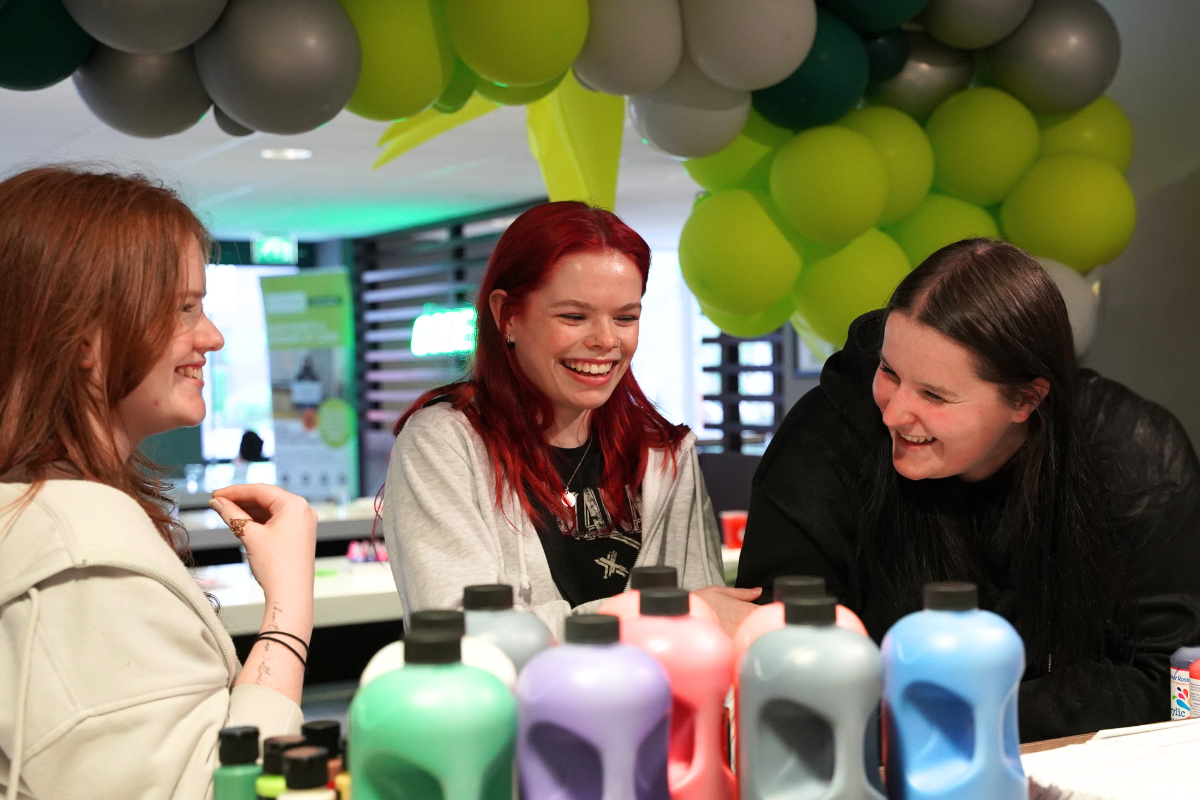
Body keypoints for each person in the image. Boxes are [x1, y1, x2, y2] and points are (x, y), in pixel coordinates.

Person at [737, 238, 1200, 741]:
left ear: (1025, 400)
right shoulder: (822, 443)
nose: (893, 414)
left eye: (934, 395)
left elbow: (1176, 678)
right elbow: (783, 672)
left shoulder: (1135, 453)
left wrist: (960, 718)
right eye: (889, 370)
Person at [0, 166, 318, 798]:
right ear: (85, 335)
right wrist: (288, 605)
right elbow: (206, 788)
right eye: (183, 308)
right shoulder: (80, 561)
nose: (212, 336)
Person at [382, 201, 756, 639]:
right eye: (573, 316)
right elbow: (465, 635)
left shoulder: (663, 452)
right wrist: (652, 615)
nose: (605, 340)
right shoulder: (444, 443)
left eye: (625, 317)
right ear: (507, 316)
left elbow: (702, 637)